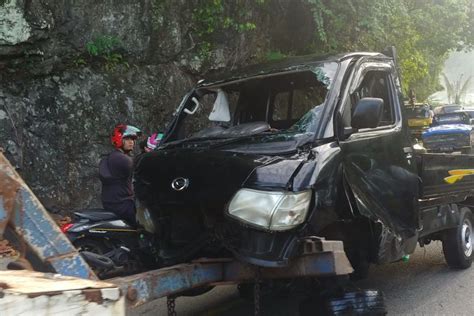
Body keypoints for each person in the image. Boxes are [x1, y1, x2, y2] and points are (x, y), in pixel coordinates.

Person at [99, 124, 141, 224]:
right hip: (122, 205)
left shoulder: (112, 156)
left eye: (133, 139)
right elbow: (140, 169)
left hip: (113, 203)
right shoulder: (122, 159)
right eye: (127, 139)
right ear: (119, 139)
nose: (132, 142)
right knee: (150, 221)